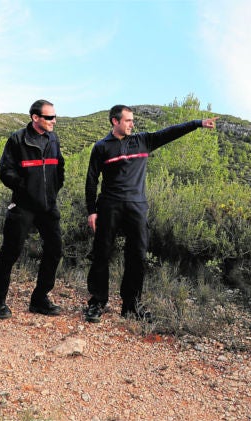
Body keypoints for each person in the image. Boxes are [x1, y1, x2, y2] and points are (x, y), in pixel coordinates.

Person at [84, 105, 217, 323]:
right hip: (109, 206)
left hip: (136, 207)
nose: (132, 124)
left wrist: (197, 123)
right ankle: (97, 303)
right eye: (127, 121)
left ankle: (131, 306)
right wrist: (92, 211)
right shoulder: (101, 147)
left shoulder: (143, 141)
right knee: (101, 255)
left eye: (132, 120)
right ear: (114, 122)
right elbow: (91, 180)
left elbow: (170, 132)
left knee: (137, 256)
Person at [0, 99, 65, 320]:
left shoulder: (53, 138)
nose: (54, 121)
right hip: (23, 205)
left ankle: (40, 300)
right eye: (49, 117)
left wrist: (52, 192)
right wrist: (25, 189)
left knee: (55, 249)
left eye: (54, 116)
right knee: (10, 252)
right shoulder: (17, 139)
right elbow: (6, 171)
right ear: (35, 118)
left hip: (48, 206)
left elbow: (60, 166)